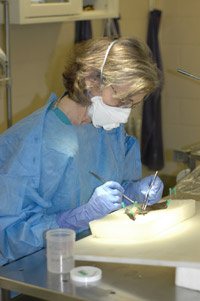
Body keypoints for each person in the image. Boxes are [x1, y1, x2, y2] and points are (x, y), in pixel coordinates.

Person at [0, 37, 164, 266]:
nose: (125, 113)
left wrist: (132, 193)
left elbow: (112, 189)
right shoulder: (29, 143)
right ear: (91, 80)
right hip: (34, 272)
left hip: (91, 258)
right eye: (121, 100)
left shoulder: (108, 129)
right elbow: (10, 235)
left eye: (133, 104)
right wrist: (81, 215)